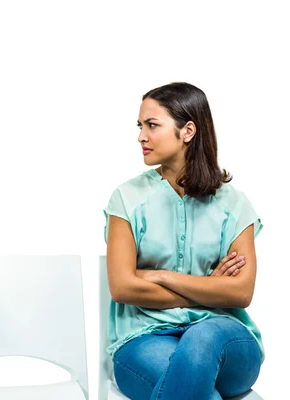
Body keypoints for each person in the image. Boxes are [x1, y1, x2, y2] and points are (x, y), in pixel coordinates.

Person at [104, 82, 263, 400]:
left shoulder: (234, 204)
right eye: (140, 126)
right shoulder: (127, 198)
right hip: (143, 338)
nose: (141, 136)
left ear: (187, 130)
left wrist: (161, 277)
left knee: (203, 335)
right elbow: (123, 288)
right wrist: (210, 290)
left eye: (152, 125)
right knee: (195, 387)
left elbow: (240, 292)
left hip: (227, 339)